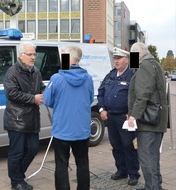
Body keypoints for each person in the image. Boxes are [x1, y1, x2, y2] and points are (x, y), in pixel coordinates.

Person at [43, 46, 94, 190]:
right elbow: (89, 99)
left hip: (62, 129)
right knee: (83, 163)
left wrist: (60, 104)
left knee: (61, 164)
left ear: (68, 58)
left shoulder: (57, 78)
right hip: (82, 129)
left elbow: (47, 100)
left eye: (63, 55)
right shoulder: (88, 78)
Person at [3, 41, 45, 190]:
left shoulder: (36, 71)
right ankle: (16, 181)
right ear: (21, 56)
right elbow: (12, 93)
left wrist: (48, 93)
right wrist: (33, 99)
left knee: (33, 149)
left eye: (34, 54)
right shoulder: (12, 72)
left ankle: (18, 175)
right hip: (17, 119)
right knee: (17, 152)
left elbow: (41, 87)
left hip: (32, 119)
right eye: (30, 54)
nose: (33, 57)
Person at [127, 42, 168, 190]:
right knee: (153, 156)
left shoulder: (144, 66)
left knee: (146, 157)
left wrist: (133, 116)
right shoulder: (155, 64)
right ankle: (154, 185)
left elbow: (142, 95)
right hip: (157, 119)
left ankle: (152, 187)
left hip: (148, 121)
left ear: (136, 54)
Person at [97, 47, 140, 186]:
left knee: (128, 145)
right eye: (115, 58)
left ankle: (133, 173)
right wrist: (102, 108)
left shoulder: (132, 76)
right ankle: (121, 170)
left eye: (119, 58)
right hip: (111, 116)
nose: (116, 61)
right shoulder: (110, 75)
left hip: (125, 117)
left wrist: (132, 113)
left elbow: (137, 96)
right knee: (115, 145)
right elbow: (101, 92)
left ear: (126, 59)